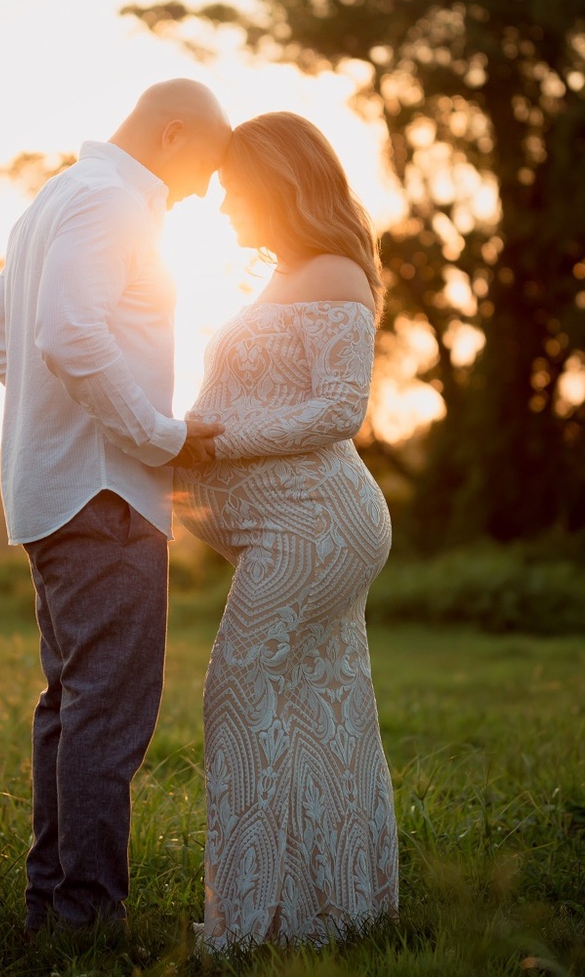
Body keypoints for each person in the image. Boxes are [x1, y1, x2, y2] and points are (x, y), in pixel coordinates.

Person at [0, 80, 230, 936]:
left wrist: (61, 423)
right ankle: (85, 916)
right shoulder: (115, 204)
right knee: (107, 714)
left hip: (54, 489)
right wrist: (155, 435)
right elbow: (66, 336)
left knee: (71, 706)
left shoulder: (53, 199)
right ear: (170, 133)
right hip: (104, 496)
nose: (206, 191)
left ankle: (55, 909)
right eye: (206, 166)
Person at [174, 111, 398, 948]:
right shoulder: (282, 275)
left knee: (237, 689)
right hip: (292, 524)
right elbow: (248, 398)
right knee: (316, 708)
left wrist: (210, 445)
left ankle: (251, 925)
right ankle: (336, 912)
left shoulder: (336, 271)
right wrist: (176, 439)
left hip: (320, 525)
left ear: (279, 182)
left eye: (235, 191)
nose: (226, 209)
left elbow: (341, 408)